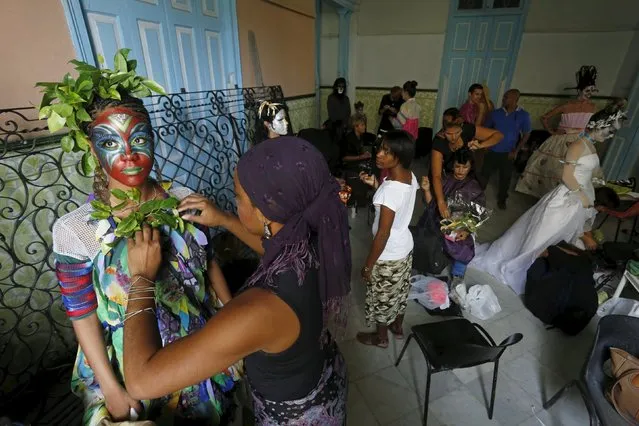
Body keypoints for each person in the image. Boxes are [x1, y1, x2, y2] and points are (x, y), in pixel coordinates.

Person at [48, 61, 242, 424]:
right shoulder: (76, 230)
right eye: (110, 142)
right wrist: (110, 389)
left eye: (139, 139)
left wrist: (235, 329)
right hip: (130, 369)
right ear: (92, 151)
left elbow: (209, 262)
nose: (129, 154)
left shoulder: (182, 197)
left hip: (200, 351)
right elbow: (82, 313)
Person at [123, 136, 351, 425]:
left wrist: (141, 278)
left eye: (238, 197)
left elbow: (141, 382)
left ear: (265, 210)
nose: (234, 202)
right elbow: (273, 246)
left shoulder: (261, 310)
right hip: (325, 377)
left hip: (299, 415)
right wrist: (227, 220)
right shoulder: (315, 237)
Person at [470, 103, 626, 295]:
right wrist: (583, 195)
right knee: (542, 235)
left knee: (561, 237)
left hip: (577, 199)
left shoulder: (590, 145)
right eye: (609, 130)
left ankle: (549, 271)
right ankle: (522, 268)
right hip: (566, 197)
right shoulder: (577, 144)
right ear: (598, 125)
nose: (610, 135)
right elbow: (566, 176)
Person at [356, 130, 419, 347]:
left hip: (388, 254)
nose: (379, 154)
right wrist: (376, 185)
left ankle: (381, 338)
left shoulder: (390, 191)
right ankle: (397, 327)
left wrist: (368, 266)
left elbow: (383, 233)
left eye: (386, 152)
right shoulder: (409, 176)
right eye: (380, 147)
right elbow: (395, 203)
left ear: (399, 157)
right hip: (405, 247)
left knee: (382, 297)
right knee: (400, 289)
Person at [516, 66, 599, 198]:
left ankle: (570, 195)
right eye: (587, 90)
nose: (590, 93)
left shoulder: (593, 107)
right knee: (554, 168)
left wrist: (588, 133)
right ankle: (548, 195)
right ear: (580, 90)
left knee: (578, 168)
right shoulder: (567, 105)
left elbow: (592, 123)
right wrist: (551, 131)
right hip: (562, 139)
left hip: (581, 139)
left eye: (593, 91)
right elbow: (544, 117)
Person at [418, 148, 485, 280]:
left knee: (464, 246)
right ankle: (428, 266)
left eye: (465, 167)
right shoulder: (442, 180)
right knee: (428, 240)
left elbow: (478, 213)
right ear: (452, 165)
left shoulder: (474, 187)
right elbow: (431, 204)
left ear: (470, 167)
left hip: (460, 226)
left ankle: (458, 275)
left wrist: (466, 230)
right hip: (437, 221)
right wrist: (426, 190)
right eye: (457, 166)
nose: (460, 171)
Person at [430, 109, 503, 219]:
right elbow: (436, 176)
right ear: (443, 131)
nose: (454, 137)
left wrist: (481, 145)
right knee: (442, 209)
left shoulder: (468, 129)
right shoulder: (439, 142)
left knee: (469, 206)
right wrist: (440, 202)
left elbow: (499, 135)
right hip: (447, 176)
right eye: (449, 134)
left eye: (457, 132)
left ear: (462, 128)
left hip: (467, 173)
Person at [482, 89, 532, 209]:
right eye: (504, 97)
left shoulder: (523, 115)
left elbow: (526, 134)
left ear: (515, 99)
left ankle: (502, 200)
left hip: (508, 153)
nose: (503, 99)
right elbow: (485, 130)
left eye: (506, 97)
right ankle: (477, 195)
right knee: (483, 175)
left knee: (505, 178)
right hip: (492, 150)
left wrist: (516, 150)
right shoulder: (495, 113)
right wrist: (486, 145)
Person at [341, 113, 375, 214]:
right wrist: (361, 157)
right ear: (356, 126)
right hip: (349, 166)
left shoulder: (360, 136)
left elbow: (357, 152)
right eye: (362, 125)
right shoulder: (349, 138)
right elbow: (344, 158)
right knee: (366, 172)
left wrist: (364, 154)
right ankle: (356, 199)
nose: (365, 127)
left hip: (357, 163)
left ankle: (363, 197)